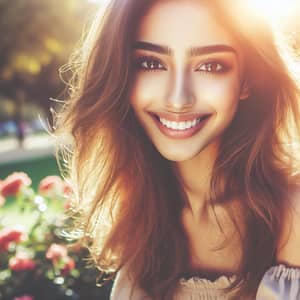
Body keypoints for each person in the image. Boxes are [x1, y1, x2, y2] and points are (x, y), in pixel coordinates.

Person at [54, 0, 300, 299]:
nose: (178, 98)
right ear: (122, 73)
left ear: (247, 80)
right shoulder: (142, 216)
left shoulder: (291, 216)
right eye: (151, 63)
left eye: (210, 65)